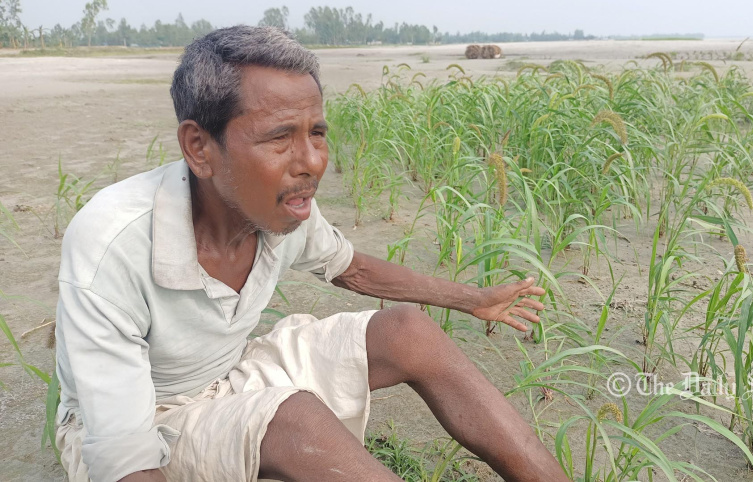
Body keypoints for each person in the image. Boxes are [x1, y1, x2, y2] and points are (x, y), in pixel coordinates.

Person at [54, 26, 569, 482]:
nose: (312, 162)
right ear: (199, 147)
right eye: (280, 137)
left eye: (316, 133)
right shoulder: (113, 243)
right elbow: (122, 456)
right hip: (145, 420)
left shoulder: (280, 209)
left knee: (408, 333)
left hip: (231, 374)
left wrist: (475, 299)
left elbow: (353, 268)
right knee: (293, 420)